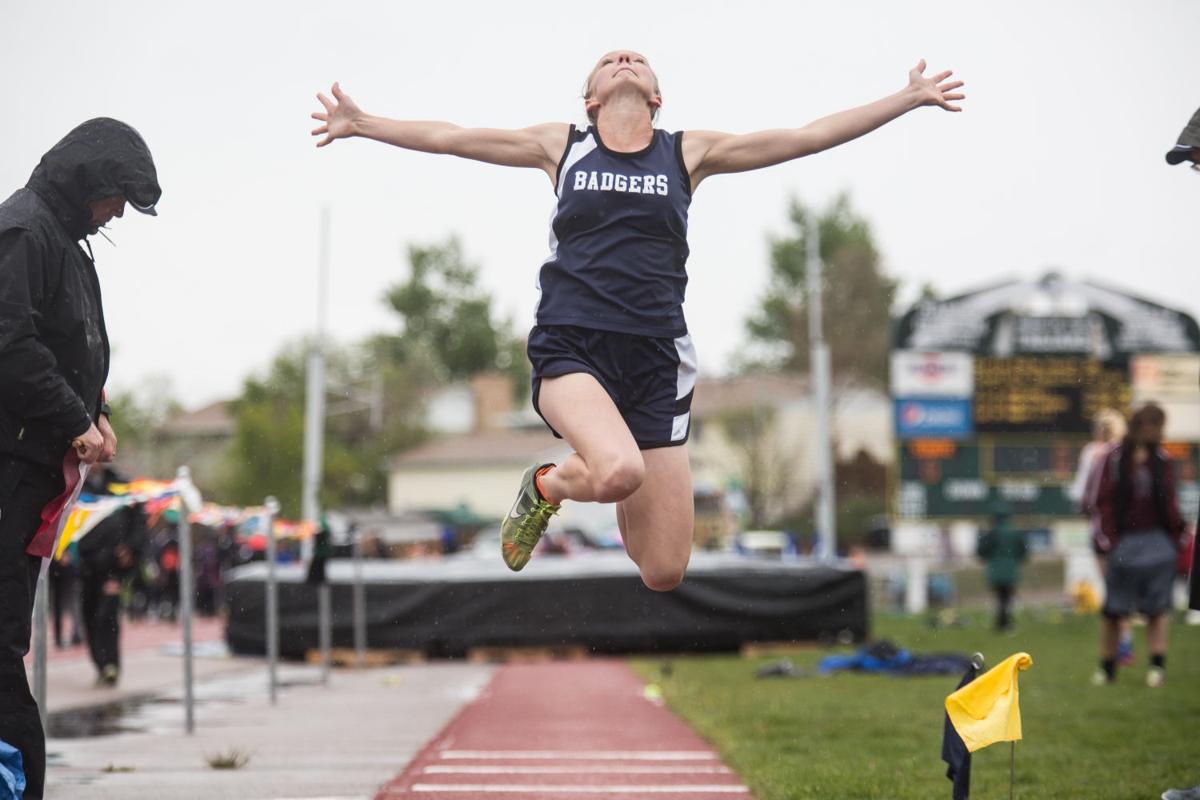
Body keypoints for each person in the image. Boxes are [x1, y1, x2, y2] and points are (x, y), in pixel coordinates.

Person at [312, 53, 964, 588]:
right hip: (574, 347)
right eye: (609, 62)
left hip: (657, 362)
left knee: (663, 570)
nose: (625, 60)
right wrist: (365, 122)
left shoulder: (687, 154)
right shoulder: (561, 146)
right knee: (620, 471)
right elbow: (452, 139)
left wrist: (903, 99)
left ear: (656, 98)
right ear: (590, 100)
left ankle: (597, 466)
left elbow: (804, 138)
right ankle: (549, 483)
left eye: (639, 62)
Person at [0, 118, 159, 799]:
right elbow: (10, 345)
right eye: (117, 196)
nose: (117, 212)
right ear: (89, 179)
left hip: (34, 469)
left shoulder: (67, 243)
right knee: (1, 648)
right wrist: (73, 418)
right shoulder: (25, 231)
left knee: (7, 641)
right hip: (9, 467)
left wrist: (98, 414)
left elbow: (76, 350)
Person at [1093, 403, 1186, 688]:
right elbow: (1102, 500)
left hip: (1158, 543)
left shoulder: (1163, 459)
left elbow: (1170, 503)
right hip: (1124, 544)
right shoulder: (1114, 458)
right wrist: (1107, 540)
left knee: (1157, 610)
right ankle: (1107, 669)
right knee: (1114, 610)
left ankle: (1156, 668)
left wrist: (1176, 538)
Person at [1071, 409, 1135, 664]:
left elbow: (1081, 494)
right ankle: (1125, 642)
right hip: (1127, 530)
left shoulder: (1093, 453)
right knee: (1122, 587)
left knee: (1112, 588)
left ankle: (1119, 647)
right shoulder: (1127, 452)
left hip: (1102, 531)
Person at [76, 469, 148, 686]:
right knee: (89, 614)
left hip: (113, 566)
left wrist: (131, 549)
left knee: (107, 615)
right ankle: (100, 664)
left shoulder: (121, 486)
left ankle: (111, 664)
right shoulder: (78, 487)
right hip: (88, 566)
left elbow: (138, 522)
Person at [975, 499, 1027, 632]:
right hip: (1011, 570)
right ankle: (1005, 621)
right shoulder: (1014, 532)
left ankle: (1002, 622)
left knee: (1000, 597)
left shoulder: (992, 533)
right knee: (1007, 597)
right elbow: (1023, 551)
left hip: (996, 570)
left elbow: (981, 551)